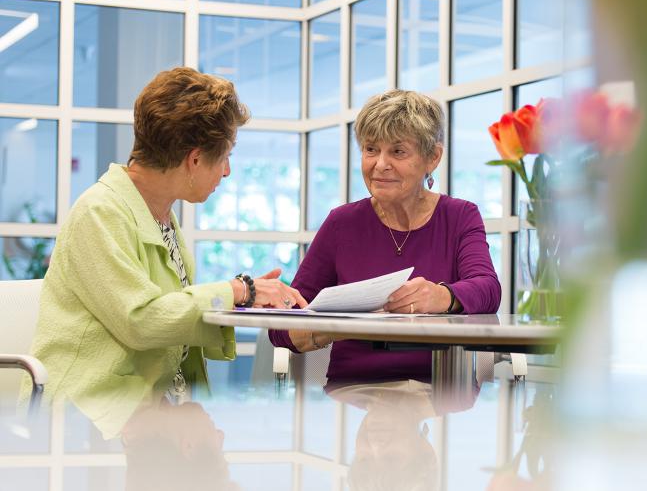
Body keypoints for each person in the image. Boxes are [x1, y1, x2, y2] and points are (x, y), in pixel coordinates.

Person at [19, 67, 306, 438]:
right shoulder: (101, 212)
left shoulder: (161, 217)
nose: (228, 171)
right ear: (195, 159)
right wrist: (237, 290)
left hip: (149, 413)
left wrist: (240, 302)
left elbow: (172, 315)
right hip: (85, 415)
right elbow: (142, 321)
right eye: (225, 156)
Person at [269, 89, 501, 385]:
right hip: (355, 396)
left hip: (441, 394)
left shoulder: (459, 216)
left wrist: (441, 296)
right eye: (370, 149)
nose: (380, 164)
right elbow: (281, 327)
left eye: (398, 151)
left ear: (433, 157)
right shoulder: (342, 223)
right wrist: (336, 325)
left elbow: (488, 289)